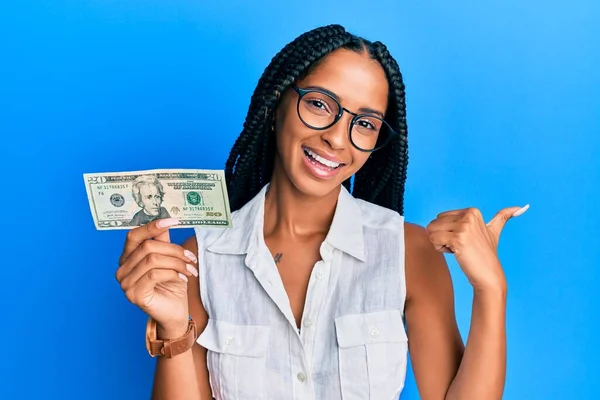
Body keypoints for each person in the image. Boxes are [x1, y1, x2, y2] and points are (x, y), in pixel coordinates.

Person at [115, 24, 528, 400]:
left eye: (365, 124)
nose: (335, 138)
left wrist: (491, 291)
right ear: (277, 103)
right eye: (319, 104)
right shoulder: (199, 260)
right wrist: (172, 327)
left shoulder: (409, 252)